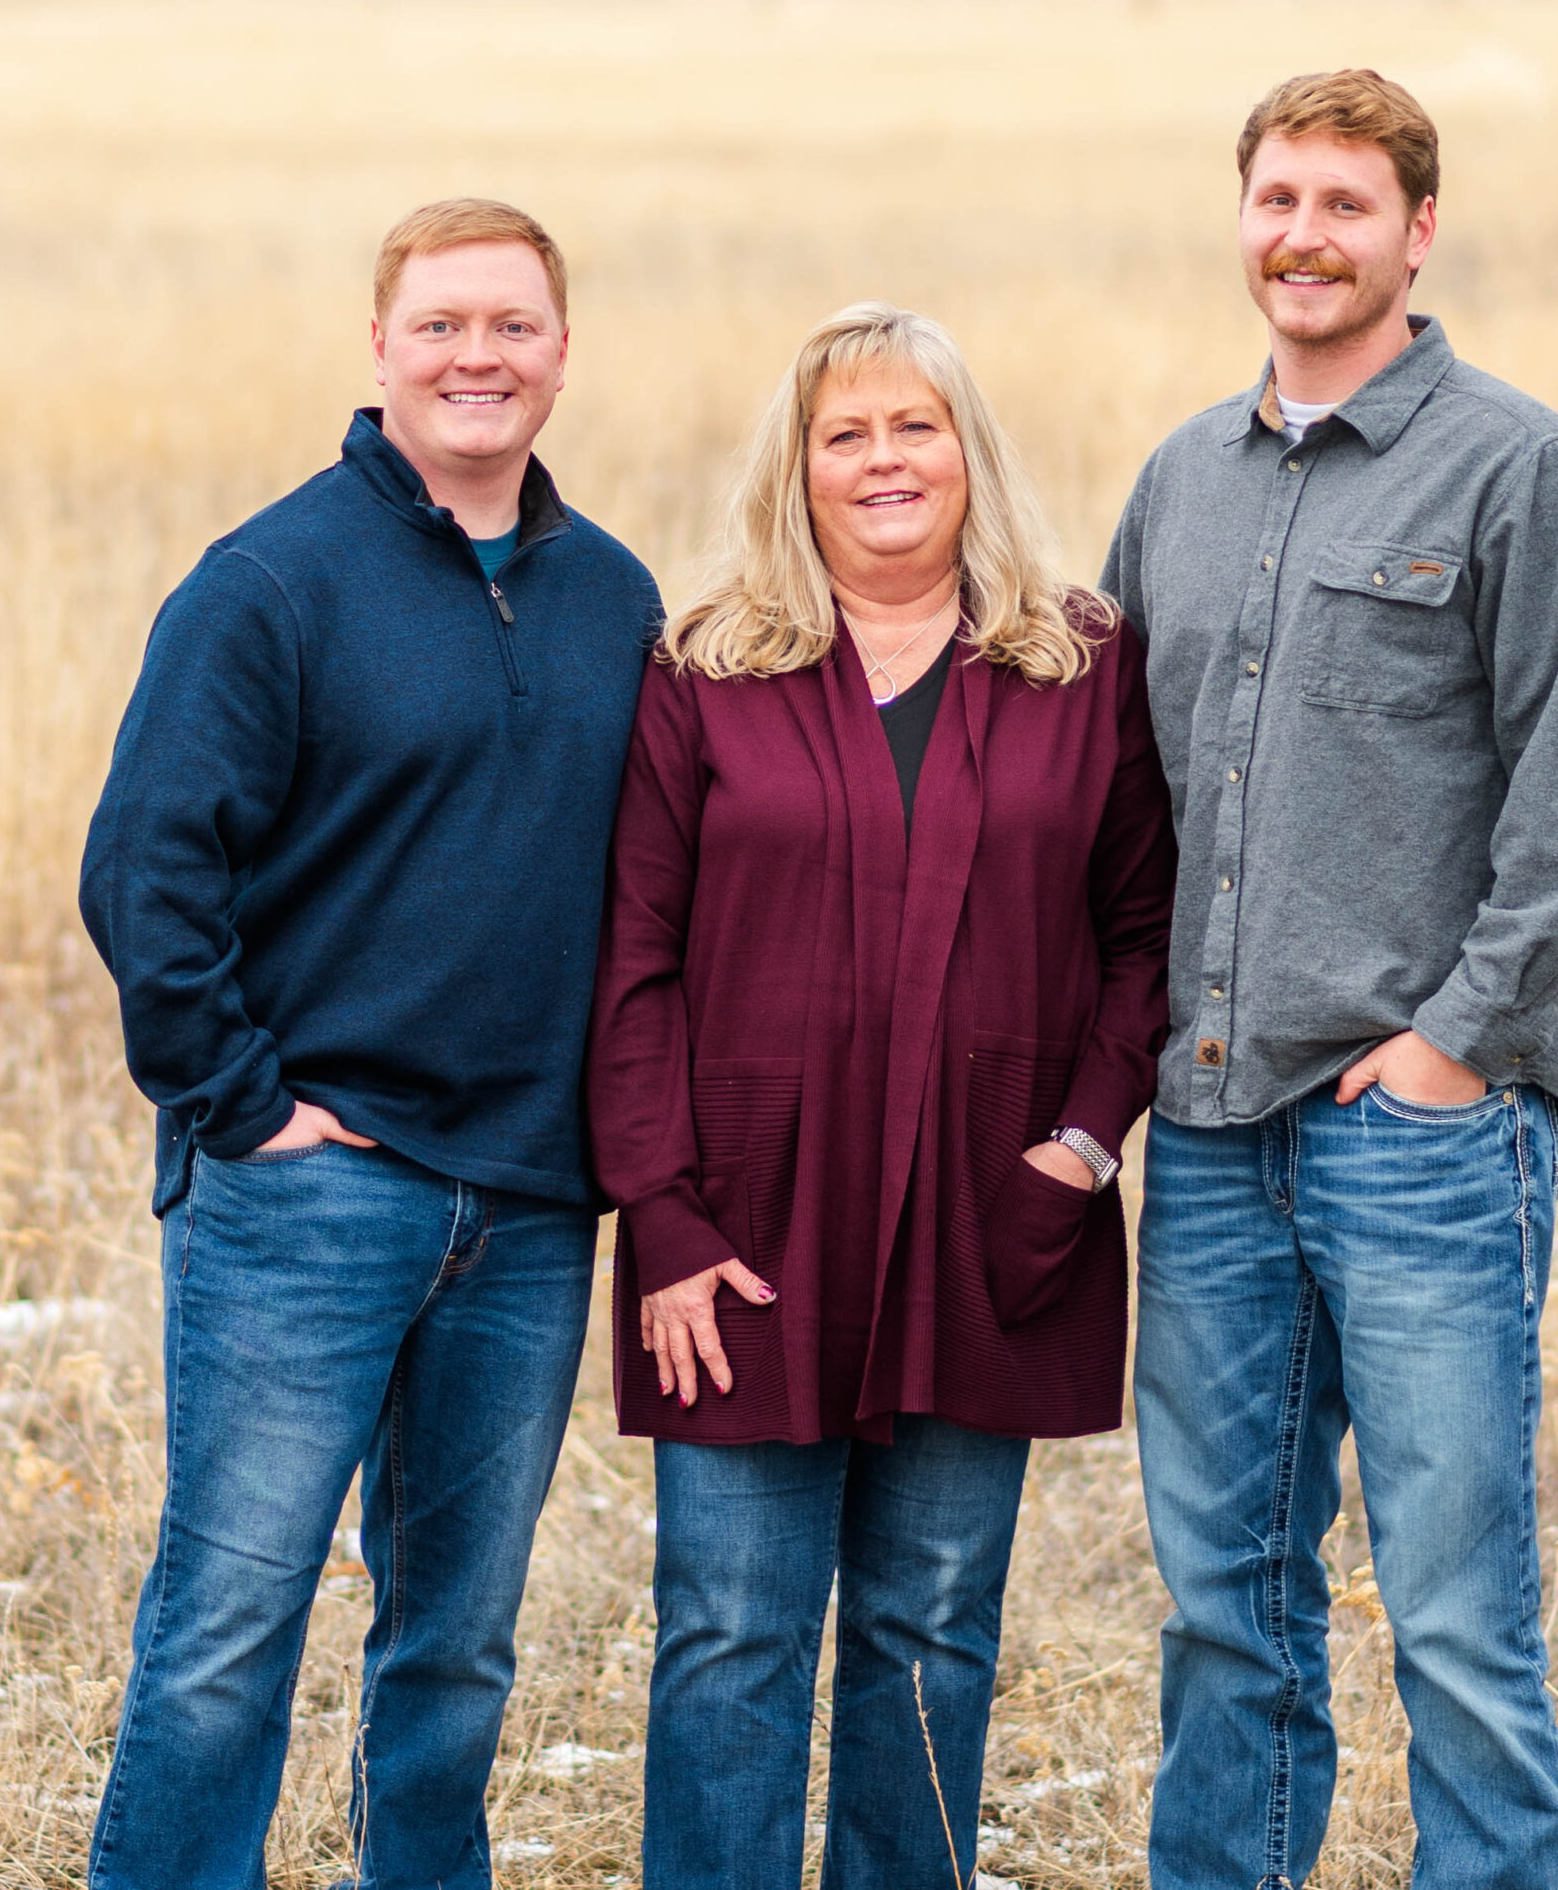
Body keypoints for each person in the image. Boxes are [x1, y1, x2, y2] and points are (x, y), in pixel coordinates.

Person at [1102, 68, 1558, 1890]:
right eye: (1277, 199)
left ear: (1420, 230)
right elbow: (1120, 802)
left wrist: (1450, 1049)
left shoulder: (1524, 468)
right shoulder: (1182, 478)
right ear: (1239, 215)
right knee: (1226, 1610)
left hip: (1418, 1130)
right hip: (1209, 1125)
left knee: (1456, 1618)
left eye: (1347, 206)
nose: (1304, 238)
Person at [79, 199, 660, 1890]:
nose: (478, 357)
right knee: (228, 1629)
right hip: (310, 1197)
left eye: (514, 326)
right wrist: (240, 1105)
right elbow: (144, 868)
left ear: (562, 351)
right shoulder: (271, 583)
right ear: (382, 349)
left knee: (458, 1646)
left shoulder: (611, 596)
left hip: (531, 1209)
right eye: (442, 326)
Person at [586, 302, 1175, 1890]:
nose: (884, 459)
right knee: (728, 1637)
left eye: (914, 425)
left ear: (967, 452)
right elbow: (631, 956)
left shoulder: (1077, 660)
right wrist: (662, 1215)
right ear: (799, 468)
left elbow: (1145, 932)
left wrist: (1077, 1143)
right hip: (743, 1231)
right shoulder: (706, 666)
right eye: (845, 433)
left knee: (929, 1635)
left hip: (998, 1215)